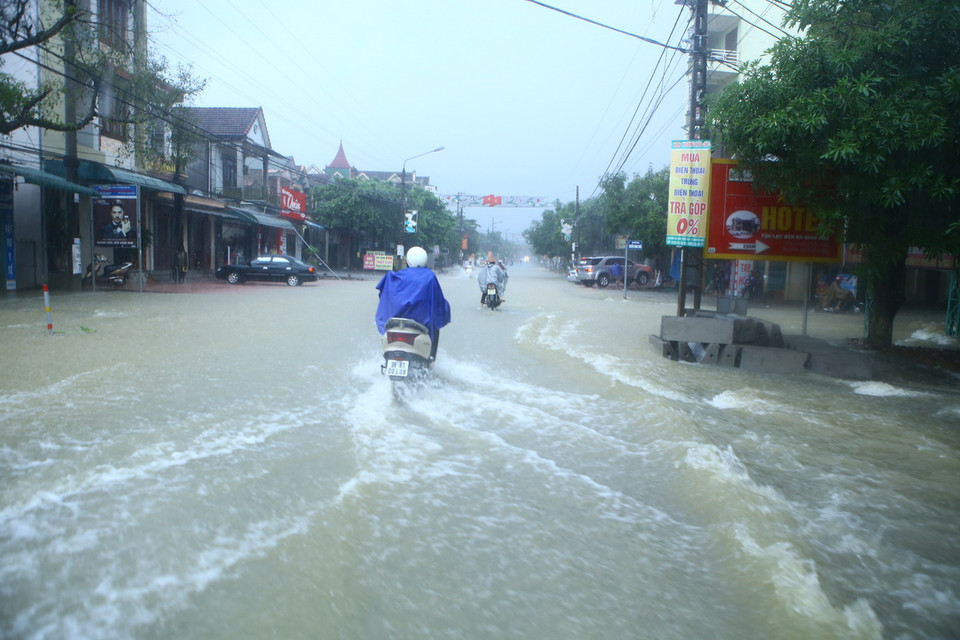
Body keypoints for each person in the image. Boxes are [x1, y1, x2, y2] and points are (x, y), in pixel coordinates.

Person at [375, 246, 451, 361]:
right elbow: (438, 302)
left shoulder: (393, 276)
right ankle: (431, 358)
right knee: (436, 328)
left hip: (394, 323)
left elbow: (384, 297)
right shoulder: (429, 277)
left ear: (408, 261)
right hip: (420, 324)